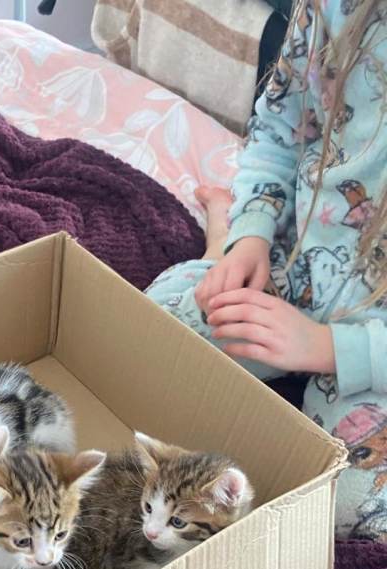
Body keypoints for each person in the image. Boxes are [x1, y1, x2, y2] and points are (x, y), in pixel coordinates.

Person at [146, 1, 387, 541]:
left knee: (355, 517)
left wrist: (329, 349)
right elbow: (278, 128)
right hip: (296, 268)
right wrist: (250, 234)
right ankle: (221, 240)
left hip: (374, 348)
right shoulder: (331, 9)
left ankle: (219, 237)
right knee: (150, 340)